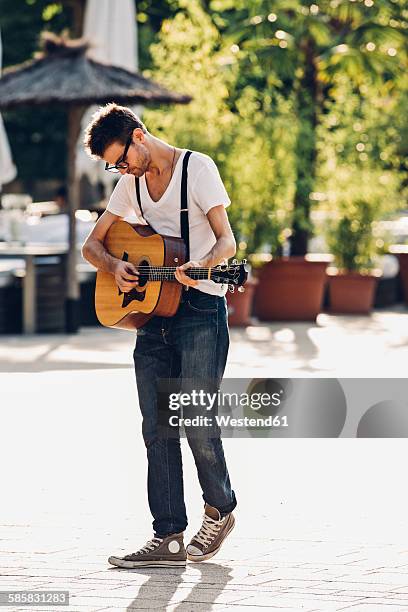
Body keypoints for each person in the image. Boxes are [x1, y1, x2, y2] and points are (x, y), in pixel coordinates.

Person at [82, 103, 237, 568]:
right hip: (152, 316)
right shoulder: (130, 185)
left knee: (197, 423)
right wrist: (115, 266)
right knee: (156, 428)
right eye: (114, 165)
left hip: (200, 308)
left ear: (140, 135)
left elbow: (227, 241)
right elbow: (93, 245)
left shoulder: (197, 169)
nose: (121, 169)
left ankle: (221, 508)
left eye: (121, 159)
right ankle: (168, 536)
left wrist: (202, 266)